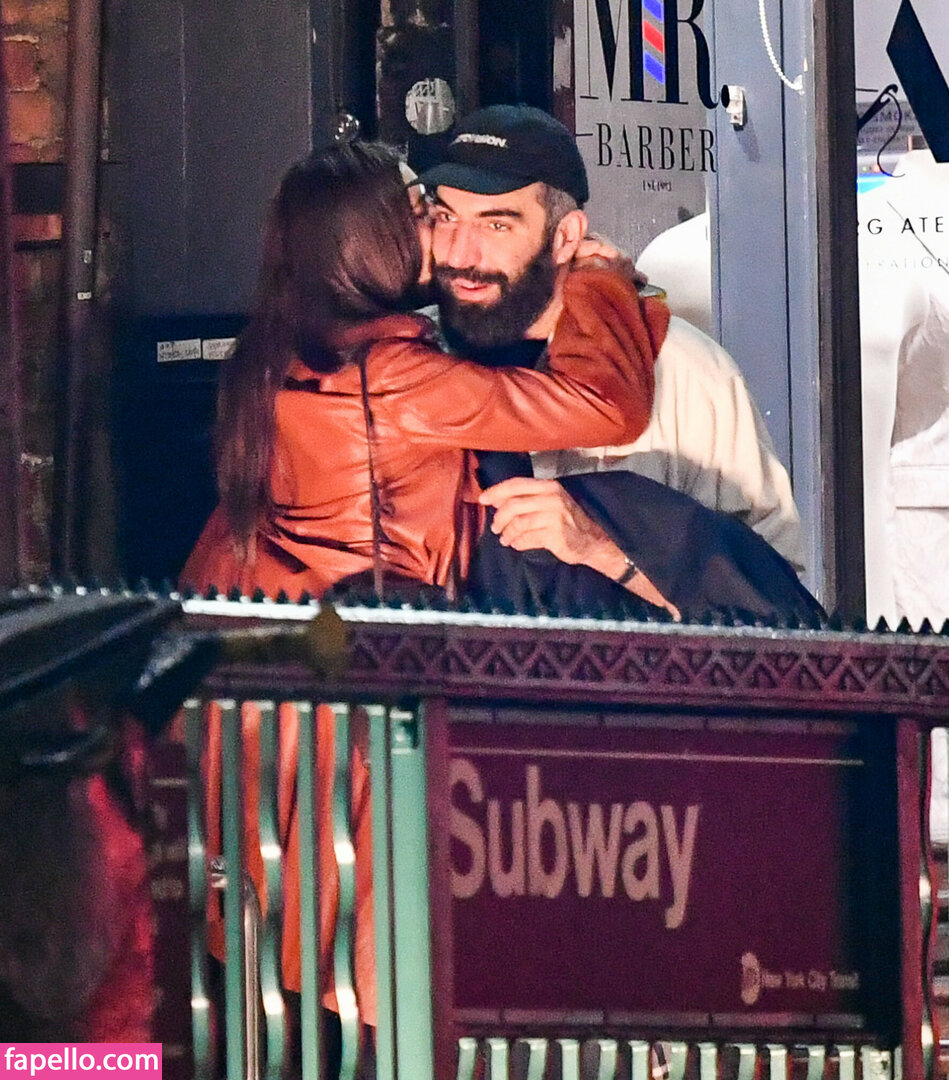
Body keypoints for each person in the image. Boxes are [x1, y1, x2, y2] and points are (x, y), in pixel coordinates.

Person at [180, 139, 671, 1073]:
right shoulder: (396, 381)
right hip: (362, 702)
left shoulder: (278, 353)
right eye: (421, 211)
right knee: (387, 973)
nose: (440, 228)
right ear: (368, 243)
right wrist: (601, 282)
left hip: (272, 689)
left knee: (299, 968)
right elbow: (605, 405)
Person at [416, 104, 809, 603]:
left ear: (565, 237)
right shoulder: (404, 360)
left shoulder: (683, 371)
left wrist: (601, 546)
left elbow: (774, 606)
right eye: (445, 218)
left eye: (496, 226)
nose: (459, 253)